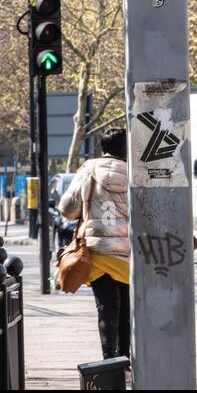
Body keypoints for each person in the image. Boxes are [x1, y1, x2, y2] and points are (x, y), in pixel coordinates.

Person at [59, 128, 131, 360]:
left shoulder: (88, 170)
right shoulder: (136, 173)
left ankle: (109, 358)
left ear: (103, 148)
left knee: (107, 307)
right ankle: (126, 357)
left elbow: (68, 210)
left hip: (97, 252)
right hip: (126, 252)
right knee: (126, 308)